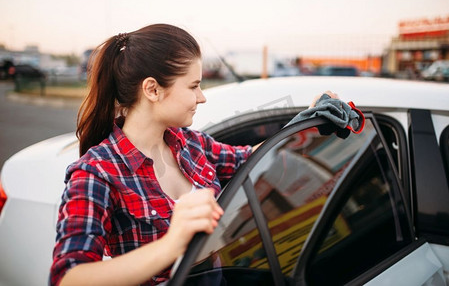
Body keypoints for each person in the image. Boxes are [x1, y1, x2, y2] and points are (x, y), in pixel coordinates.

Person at [50, 23, 336, 286]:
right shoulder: (97, 172)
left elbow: (249, 159)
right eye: (193, 86)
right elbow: (69, 277)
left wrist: (307, 121)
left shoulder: (191, 144)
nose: (202, 96)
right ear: (152, 89)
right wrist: (172, 244)